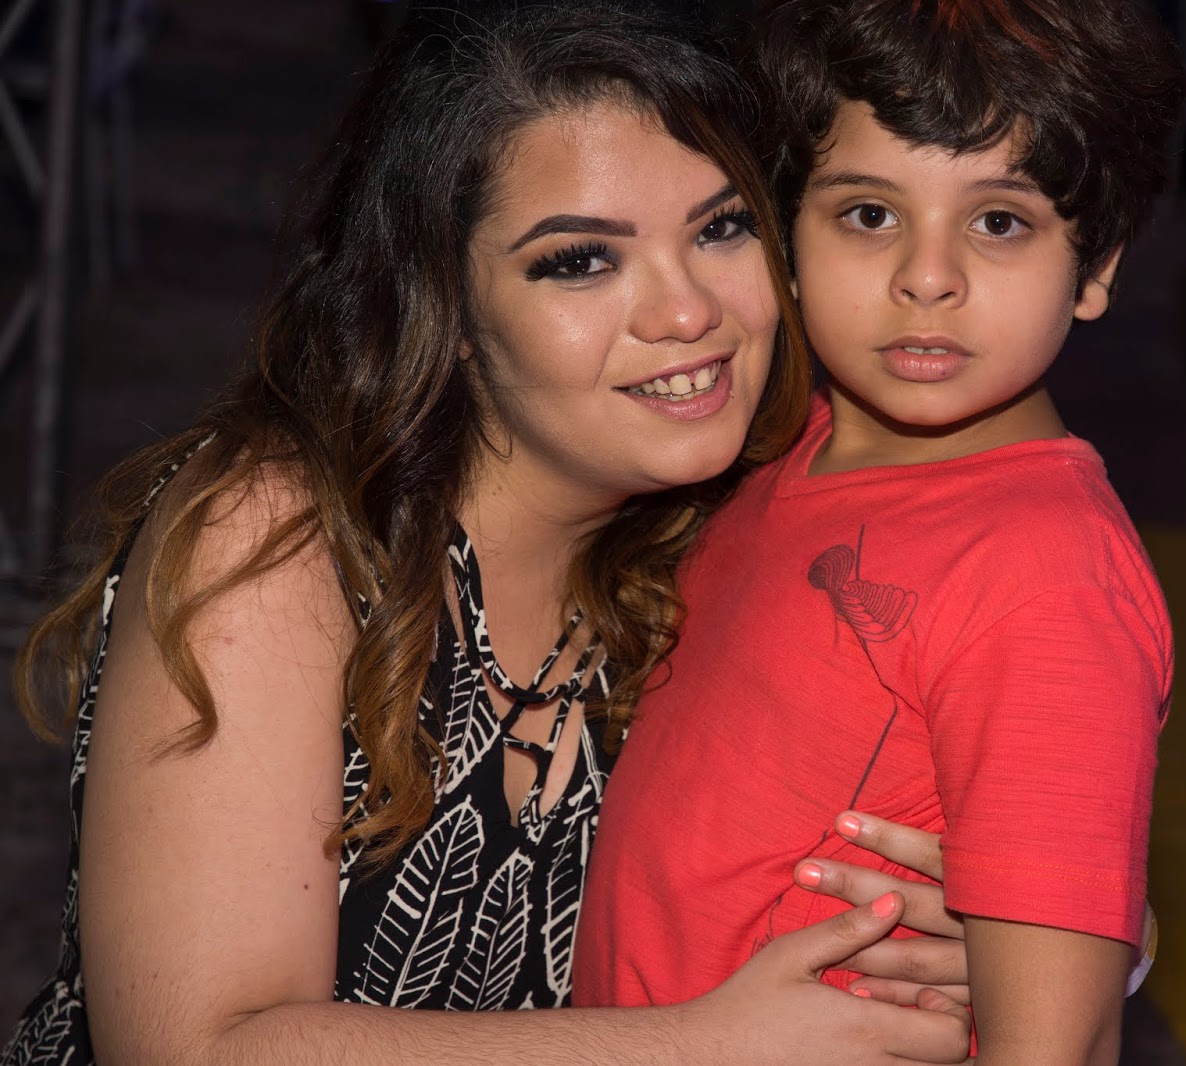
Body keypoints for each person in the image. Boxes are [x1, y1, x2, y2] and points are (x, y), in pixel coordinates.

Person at [3, 5, 975, 1064]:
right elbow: (193, 1047)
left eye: (721, 228)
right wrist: (697, 1047)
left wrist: (992, 926)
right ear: (450, 310)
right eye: (580, 261)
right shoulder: (283, 536)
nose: (687, 311)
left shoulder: (749, 527)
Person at [572, 0, 1186, 1060]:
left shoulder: (1045, 578)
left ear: (1095, 266)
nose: (927, 277)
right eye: (868, 213)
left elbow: (1056, 1045)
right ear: (784, 237)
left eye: (1000, 222)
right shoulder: (772, 445)